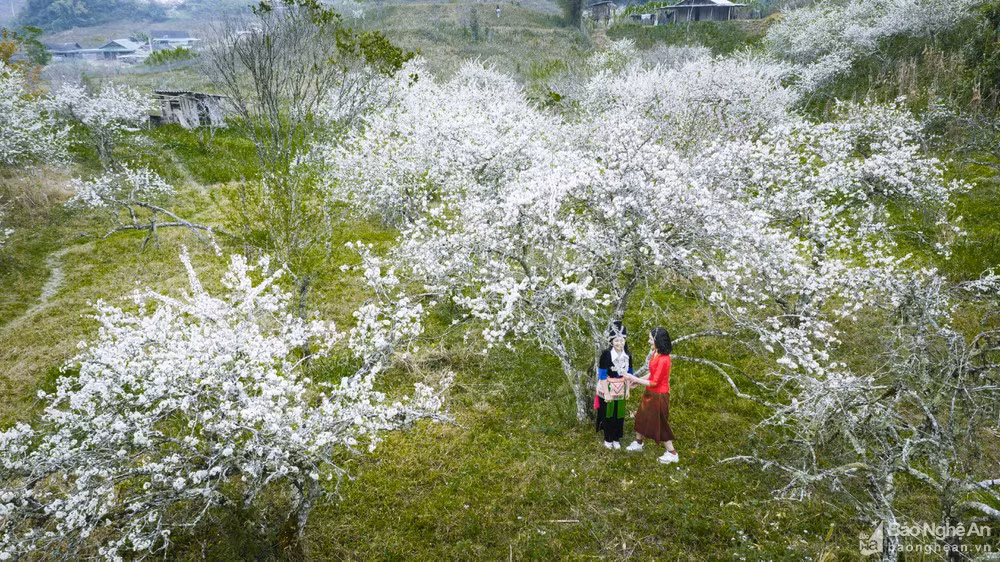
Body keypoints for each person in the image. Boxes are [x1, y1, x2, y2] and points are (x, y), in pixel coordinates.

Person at [623, 327, 678, 464]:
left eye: (650, 339)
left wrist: (634, 378)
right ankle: (638, 443)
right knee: (641, 416)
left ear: (657, 340)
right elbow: (652, 374)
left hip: (659, 396)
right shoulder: (655, 353)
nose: (648, 341)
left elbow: (654, 382)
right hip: (650, 392)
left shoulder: (664, 359)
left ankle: (672, 453)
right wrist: (637, 381)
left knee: (661, 424)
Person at [595, 322, 633, 449]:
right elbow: (602, 375)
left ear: (625, 341)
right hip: (607, 387)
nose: (619, 343)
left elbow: (630, 374)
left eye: (622, 340)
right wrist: (606, 393)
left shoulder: (628, 356)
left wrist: (628, 389)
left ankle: (616, 438)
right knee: (608, 413)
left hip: (621, 388)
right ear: (611, 341)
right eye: (616, 340)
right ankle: (608, 438)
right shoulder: (606, 355)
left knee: (619, 414)